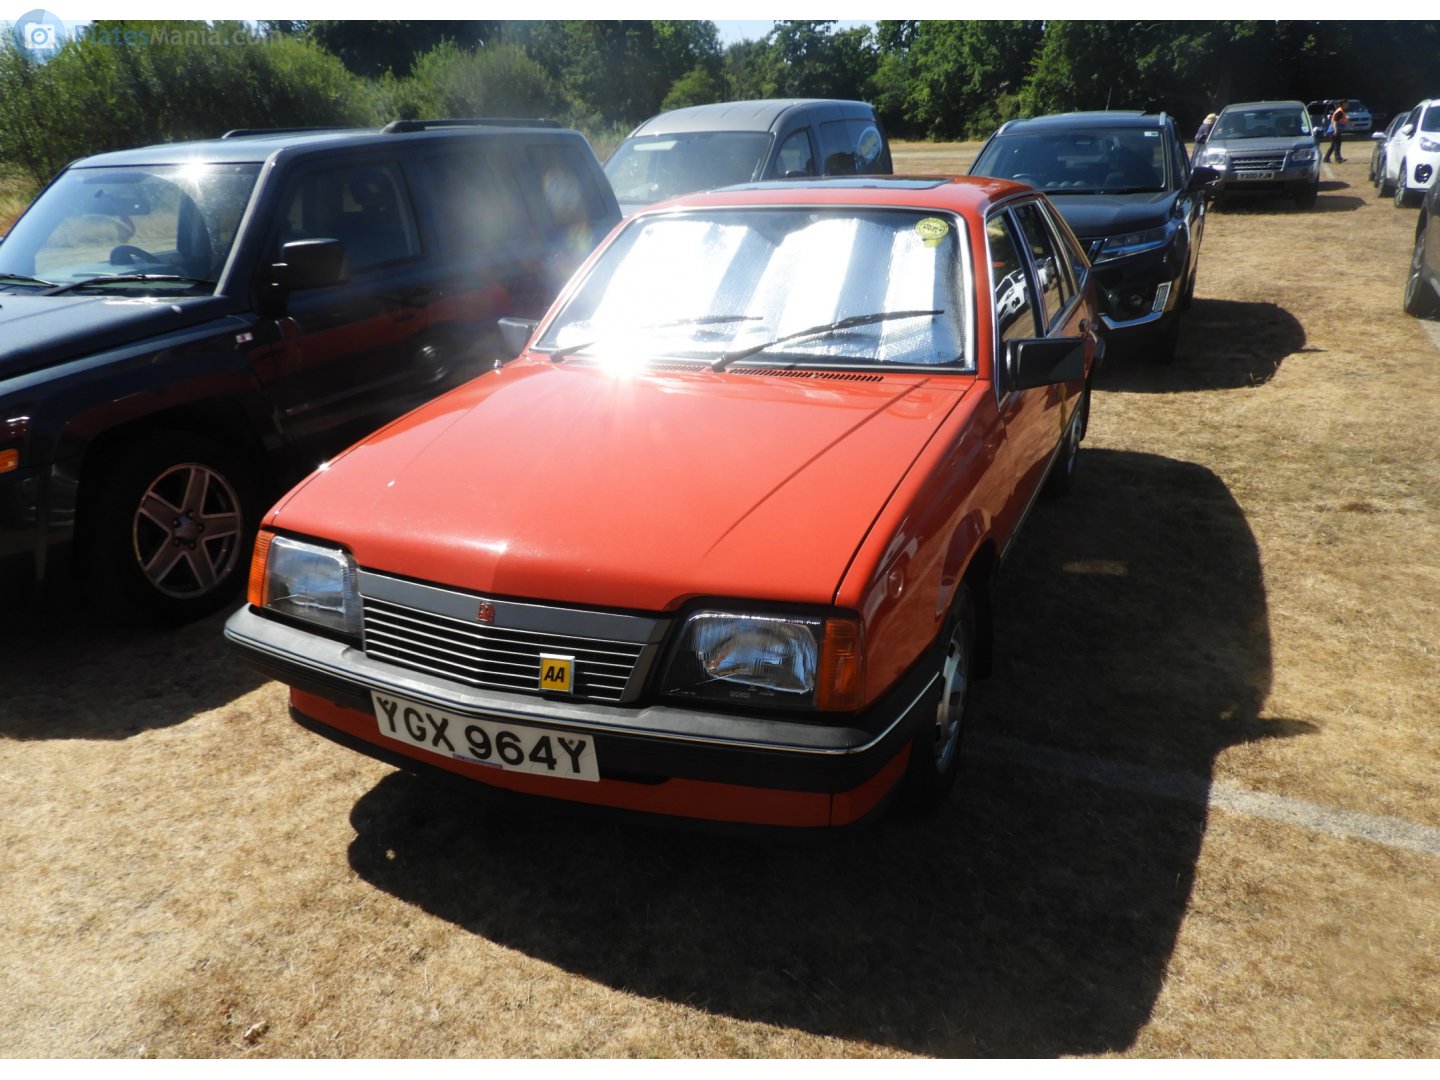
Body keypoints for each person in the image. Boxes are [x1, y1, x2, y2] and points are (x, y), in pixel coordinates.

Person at [1324, 99, 1348, 163]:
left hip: (1332, 131)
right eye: (1346, 103)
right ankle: (1338, 159)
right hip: (1333, 131)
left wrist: (1351, 124)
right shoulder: (1340, 111)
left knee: (1333, 145)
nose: (1347, 105)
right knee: (1337, 143)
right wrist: (1336, 130)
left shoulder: (1341, 111)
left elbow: (1344, 120)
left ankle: (1326, 158)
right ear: (1343, 104)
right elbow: (1335, 121)